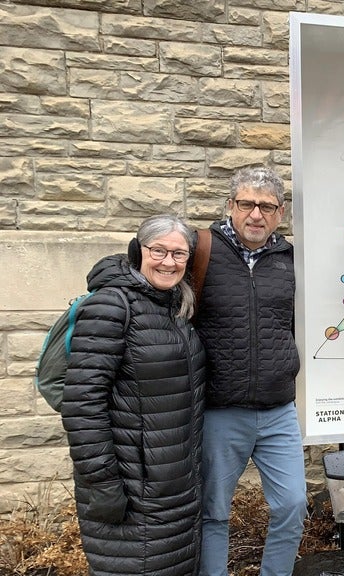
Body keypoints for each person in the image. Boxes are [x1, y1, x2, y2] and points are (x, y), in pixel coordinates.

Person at [62, 214, 205, 576]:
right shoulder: (111, 306)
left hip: (174, 486)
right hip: (130, 488)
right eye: (159, 251)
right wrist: (103, 484)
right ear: (138, 251)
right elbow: (82, 406)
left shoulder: (174, 307)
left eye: (179, 254)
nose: (168, 262)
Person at [194, 165, 306, 576]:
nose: (256, 214)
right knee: (214, 511)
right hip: (221, 411)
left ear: (280, 214)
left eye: (267, 206)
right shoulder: (200, 250)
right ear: (231, 206)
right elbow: (153, 272)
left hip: (278, 411)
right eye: (247, 204)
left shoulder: (292, 260)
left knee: (293, 504)